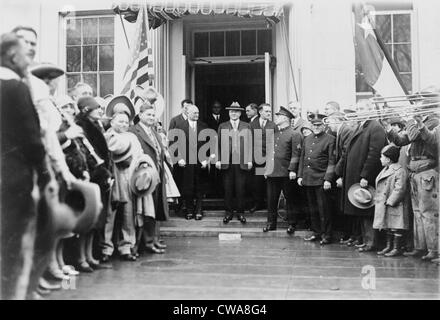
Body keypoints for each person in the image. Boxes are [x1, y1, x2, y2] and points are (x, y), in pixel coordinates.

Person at [1, 32, 47, 300]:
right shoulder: (16, 87)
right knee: (12, 248)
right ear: (11, 55)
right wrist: (44, 175)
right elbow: (32, 139)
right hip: (14, 179)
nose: (27, 61)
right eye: (23, 54)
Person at [384, 91, 439, 261]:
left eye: (419, 101)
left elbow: (430, 139)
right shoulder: (418, 121)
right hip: (415, 171)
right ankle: (421, 247)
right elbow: (401, 141)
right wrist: (389, 129)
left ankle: (434, 249)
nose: (417, 104)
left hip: (427, 171)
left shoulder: (435, 121)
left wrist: (416, 123)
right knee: (417, 212)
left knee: (428, 212)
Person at [340, 99, 387, 252]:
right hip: (356, 175)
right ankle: (365, 240)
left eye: (362, 108)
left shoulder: (375, 127)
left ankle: (371, 242)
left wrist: (365, 175)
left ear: (371, 109)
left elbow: (374, 154)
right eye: (357, 108)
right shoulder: (363, 125)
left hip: (365, 177)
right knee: (360, 207)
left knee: (367, 209)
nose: (358, 111)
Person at [75, 96, 112, 271]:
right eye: (96, 108)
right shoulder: (82, 127)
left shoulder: (97, 125)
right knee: (87, 220)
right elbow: (86, 154)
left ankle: (90, 255)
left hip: (101, 177)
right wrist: (100, 172)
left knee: (96, 221)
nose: (100, 111)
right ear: (86, 111)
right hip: (90, 177)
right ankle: (81, 258)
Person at [129, 102, 170, 254]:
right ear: (140, 115)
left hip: (157, 175)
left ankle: (152, 239)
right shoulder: (134, 131)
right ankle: (145, 243)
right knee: (146, 210)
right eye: (149, 115)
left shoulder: (154, 131)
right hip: (144, 176)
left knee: (155, 208)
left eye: (153, 115)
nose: (152, 117)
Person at [101, 96, 138, 262]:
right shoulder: (108, 136)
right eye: (120, 121)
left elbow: (139, 156)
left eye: (126, 122)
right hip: (113, 179)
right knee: (110, 215)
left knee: (128, 216)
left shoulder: (132, 137)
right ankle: (106, 249)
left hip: (129, 180)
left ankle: (126, 247)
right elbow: (117, 150)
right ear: (112, 121)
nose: (123, 124)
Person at [263, 106, 302, 234]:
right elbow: (270, 154)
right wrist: (266, 169)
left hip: (286, 173)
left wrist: (292, 170)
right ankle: (271, 223)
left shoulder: (294, 134)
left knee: (290, 199)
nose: (276, 118)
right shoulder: (275, 134)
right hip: (273, 172)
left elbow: (296, 154)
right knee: (271, 199)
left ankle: (292, 224)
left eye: (279, 116)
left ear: (285, 118)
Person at [298, 113, 335, 244]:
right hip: (308, 179)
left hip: (321, 180)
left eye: (319, 125)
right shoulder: (307, 139)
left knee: (324, 209)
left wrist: (328, 179)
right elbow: (303, 158)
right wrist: (300, 175)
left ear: (324, 125)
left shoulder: (330, 139)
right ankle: (316, 232)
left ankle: (327, 235)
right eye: (314, 125)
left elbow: (332, 161)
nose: (316, 127)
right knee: (312, 209)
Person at [216, 101, 252, 224]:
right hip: (227, 161)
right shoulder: (223, 126)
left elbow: (250, 144)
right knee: (228, 188)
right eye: (232, 111)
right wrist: (218, 159)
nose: (234, 114)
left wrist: (249, 159)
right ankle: (228, 212)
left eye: (236, 111)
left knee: (241, 188)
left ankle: (241, 213)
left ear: (240, 113)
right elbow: (218, 144)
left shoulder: (247, 126)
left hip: (241, 161)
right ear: (229, 113)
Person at [175, 105, 210, 220]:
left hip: (200, 162)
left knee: (200, 187)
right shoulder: (179, 127)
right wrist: (179, 158)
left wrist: (206, 159)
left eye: (198, 113)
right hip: (186, 162)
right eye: (194, 113)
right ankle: (189, 210)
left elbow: (208, 145)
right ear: (188, 113)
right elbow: (174, 145)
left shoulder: (204, 126)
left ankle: (199, 209)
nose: (197, 115)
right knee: (187, 187)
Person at [373, 145, 409, 257]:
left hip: (395, 204)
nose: (380, 159)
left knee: (396, 226)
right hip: (386, 203)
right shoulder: (385, 170)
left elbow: (400, 188)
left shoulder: (399, 171)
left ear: (388, 159)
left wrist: (391, 200)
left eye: (381, 157)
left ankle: (396, 248)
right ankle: (389, 246)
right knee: (388, 225)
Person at [249, 103, 276, 212]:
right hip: (257, 159)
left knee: (269, 182)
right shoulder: (251, 124)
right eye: (266, 111)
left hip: (269, 159)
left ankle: (269, 205)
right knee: (257, 182)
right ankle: (258, 203)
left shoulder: (273, 125)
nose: (269, 113)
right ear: (260, 112)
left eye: (270, 111)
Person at [168, 98, 193, 215]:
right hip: (179, 157)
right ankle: (179, 206)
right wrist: (177, 158)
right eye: (185, 107)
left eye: (190, 107)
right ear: (182, 108)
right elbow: (171, 141)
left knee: (189, 183)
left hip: (191, 157)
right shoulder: (175, 120)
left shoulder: (194, 120)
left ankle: (188, 206)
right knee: (179, 181)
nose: (188, 109)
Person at [205, 100, 226, 198]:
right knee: (212, 170)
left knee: (223, 170)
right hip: (210, 147)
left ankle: (222, 191)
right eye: (214, 107)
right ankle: (212, 192)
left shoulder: (225, 119)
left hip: (223, 147)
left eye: (218, 107)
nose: (216, 109)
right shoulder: (206, 119)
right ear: (212, 108)